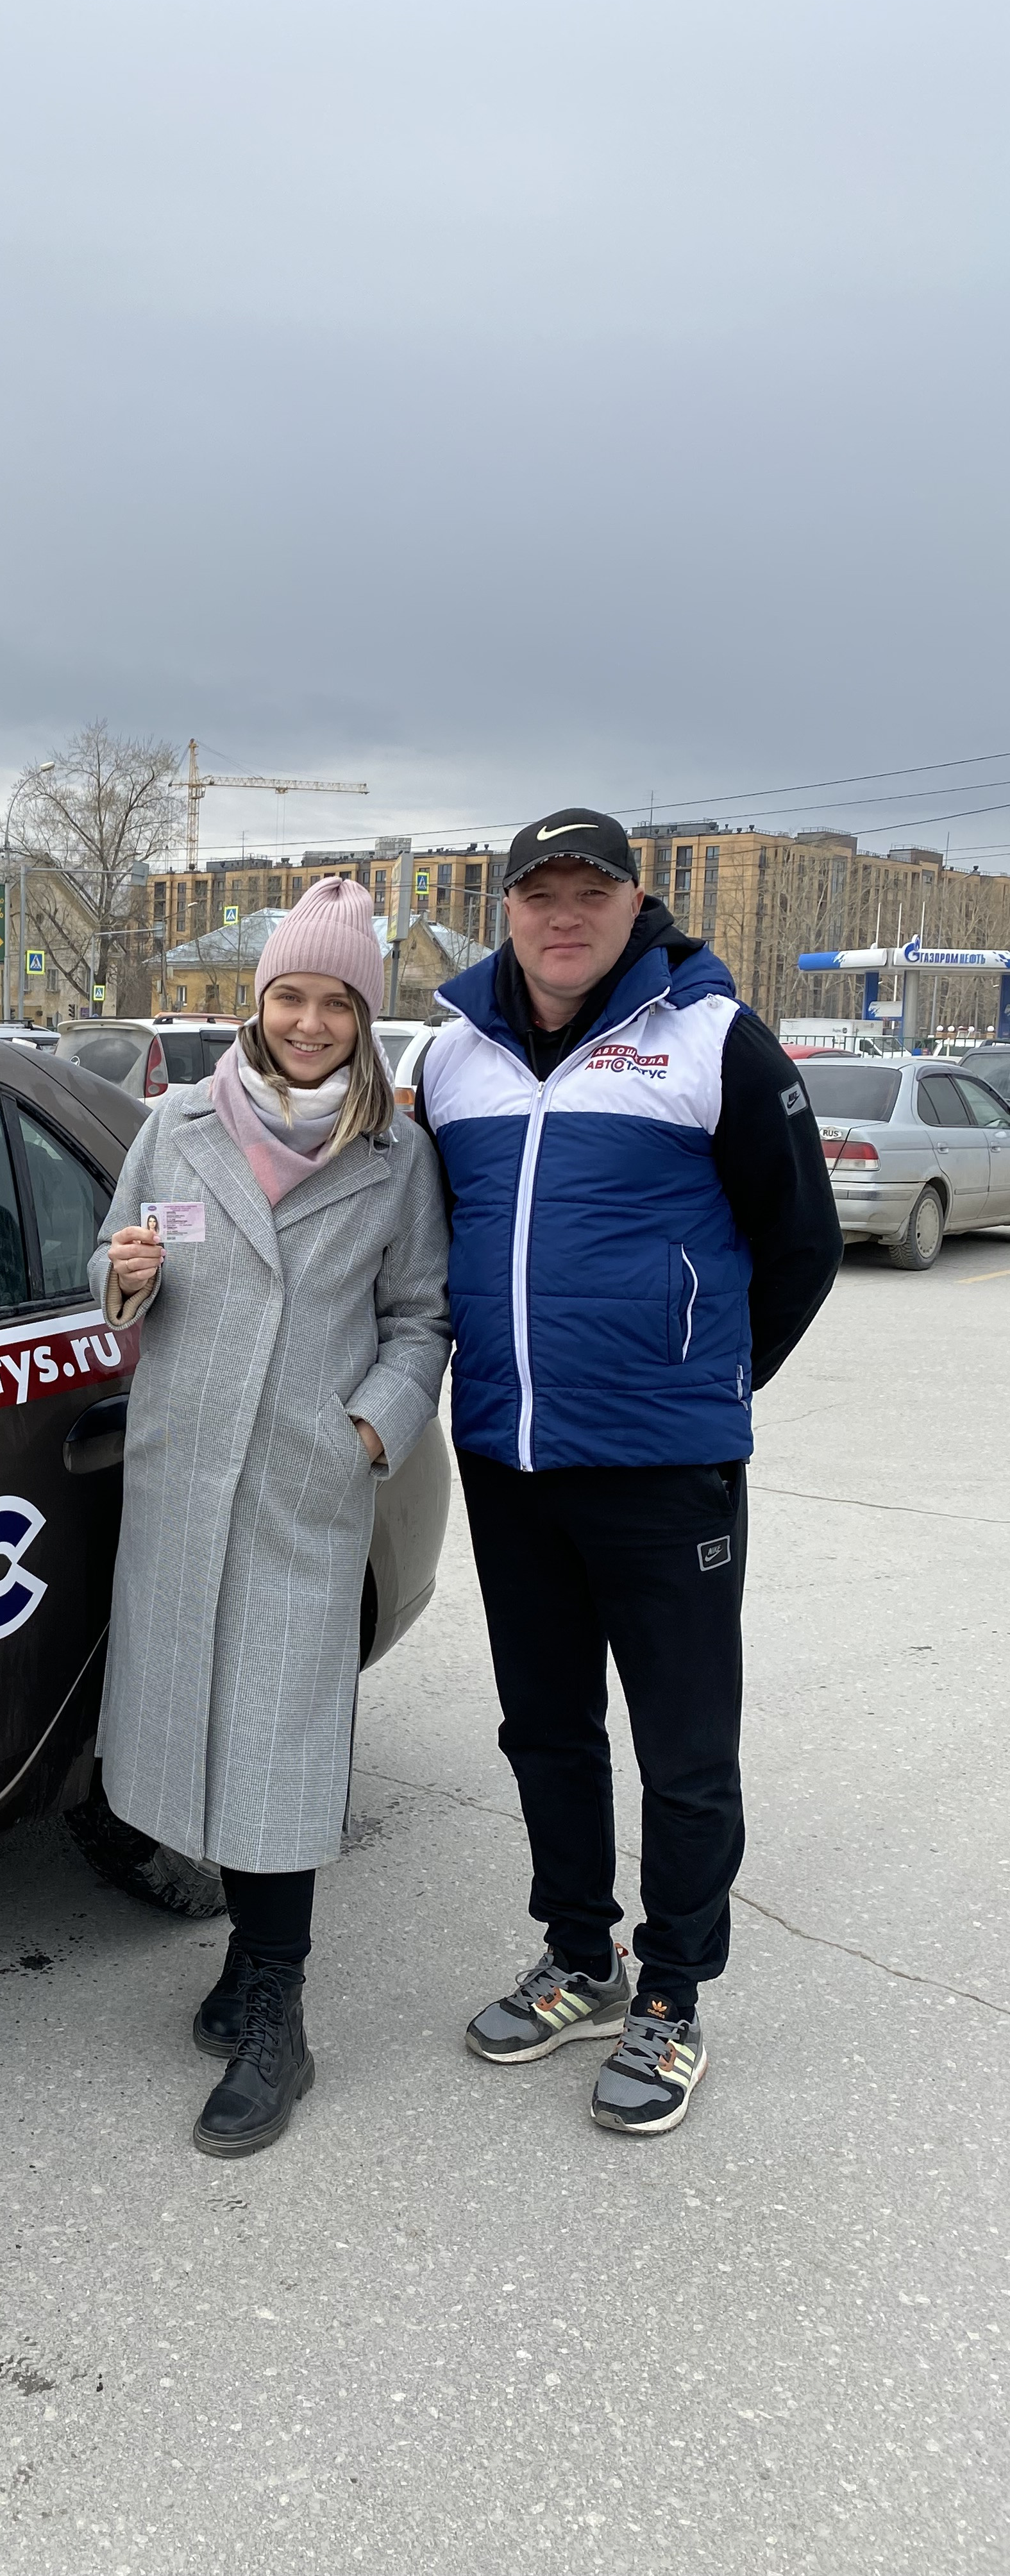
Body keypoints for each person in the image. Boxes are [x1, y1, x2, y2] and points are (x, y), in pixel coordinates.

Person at [416, 808, 841, 2135]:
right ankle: (579, 1961)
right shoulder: (452, 1058)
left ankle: (671, 1996)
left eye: (588, 893)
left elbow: (803, 1244)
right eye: (538, 893)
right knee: (544, 1727)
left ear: (631, 902)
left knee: (684, 1748)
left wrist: (702, 1383)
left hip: (665, 1465)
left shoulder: (710, 1037)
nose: (562, 916)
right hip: (508, 1455)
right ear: (507, 908)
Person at [91, 877, 451, 2158]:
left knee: (282, 1744)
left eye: (335, 1001)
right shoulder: (179, 1123)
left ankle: (279, 2017)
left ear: (363, 1016)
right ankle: (249, 1961)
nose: (309, 1022)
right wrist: (122, 1280)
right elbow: (115, 1259)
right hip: (189, 1478)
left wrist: (367, 1429)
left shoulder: (397, 1157)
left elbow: (422, 1321)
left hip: (305, 1482)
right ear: (257, 1003)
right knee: (200, 1726)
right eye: (290, 996)